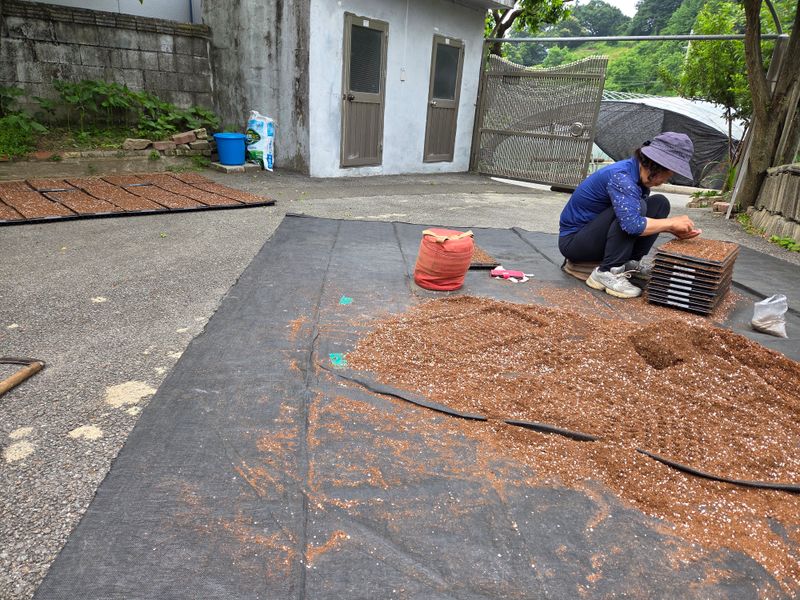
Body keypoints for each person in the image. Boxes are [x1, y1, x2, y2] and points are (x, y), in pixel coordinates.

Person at [558, 132, 701, 299]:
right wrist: (670, 223)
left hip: (594, 235)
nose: (666, 180)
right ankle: (607, 272)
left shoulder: (636, 176)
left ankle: (628, 263)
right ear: (657, 166)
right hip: (575, 242)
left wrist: (671, 228)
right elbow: (632, 225)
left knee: (660, 203)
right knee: (635, 209)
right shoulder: (622, 177)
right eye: (668, 174)